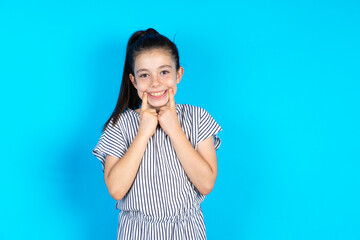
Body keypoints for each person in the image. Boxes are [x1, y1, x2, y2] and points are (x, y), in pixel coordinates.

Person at [93, 28, 222, 240]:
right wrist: (143, 133)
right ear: (134, 81)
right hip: (137, 232)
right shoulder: (120, 125)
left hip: (187, 232)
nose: (155, 83)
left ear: (178, 74)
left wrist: (174, 129)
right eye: (145, 75)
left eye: (164, 72)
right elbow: (116, 189)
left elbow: (206, 183)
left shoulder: (197, 118)